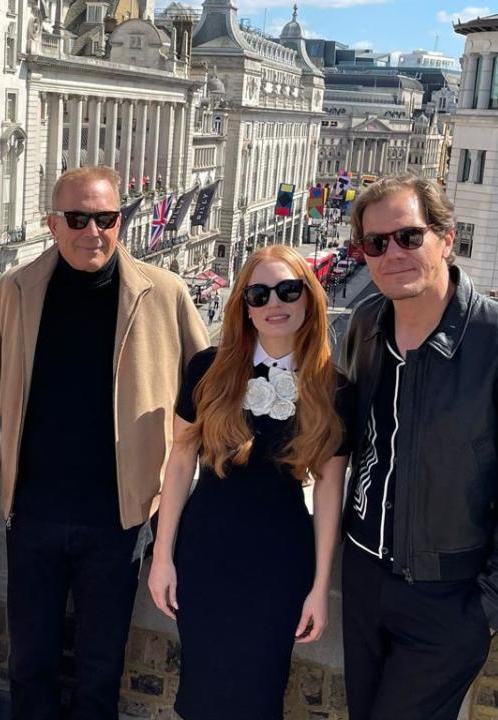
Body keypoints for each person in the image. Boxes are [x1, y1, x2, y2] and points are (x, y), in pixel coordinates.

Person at [339, 175, 498, 720]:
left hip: (449, 594)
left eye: (408, 237)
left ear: (446, 237)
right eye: (375, 243)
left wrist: (490, 607)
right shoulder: (367, 323)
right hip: (365, 576)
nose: (391, 253)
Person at [0, 165, 209, 720]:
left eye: (106, 218)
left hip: (120, 521)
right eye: (78, 218)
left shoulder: (165, 293)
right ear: (52, 223)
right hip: (32, 515)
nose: (93, 231)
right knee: (29, 663)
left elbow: (209, 393)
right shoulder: (16, 289)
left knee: (100, 668)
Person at [148, 245, 350, 719]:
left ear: (309, 298)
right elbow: (179, 464)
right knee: (200, 690)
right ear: (244, 304)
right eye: (258, 293)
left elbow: (328, 493)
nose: (273, 303)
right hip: (205, 553)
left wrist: (320, 586)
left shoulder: (335, 389)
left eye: (288, 290)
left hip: (279, 563)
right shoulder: (207, 369)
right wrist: (162, 558)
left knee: (261, 694)